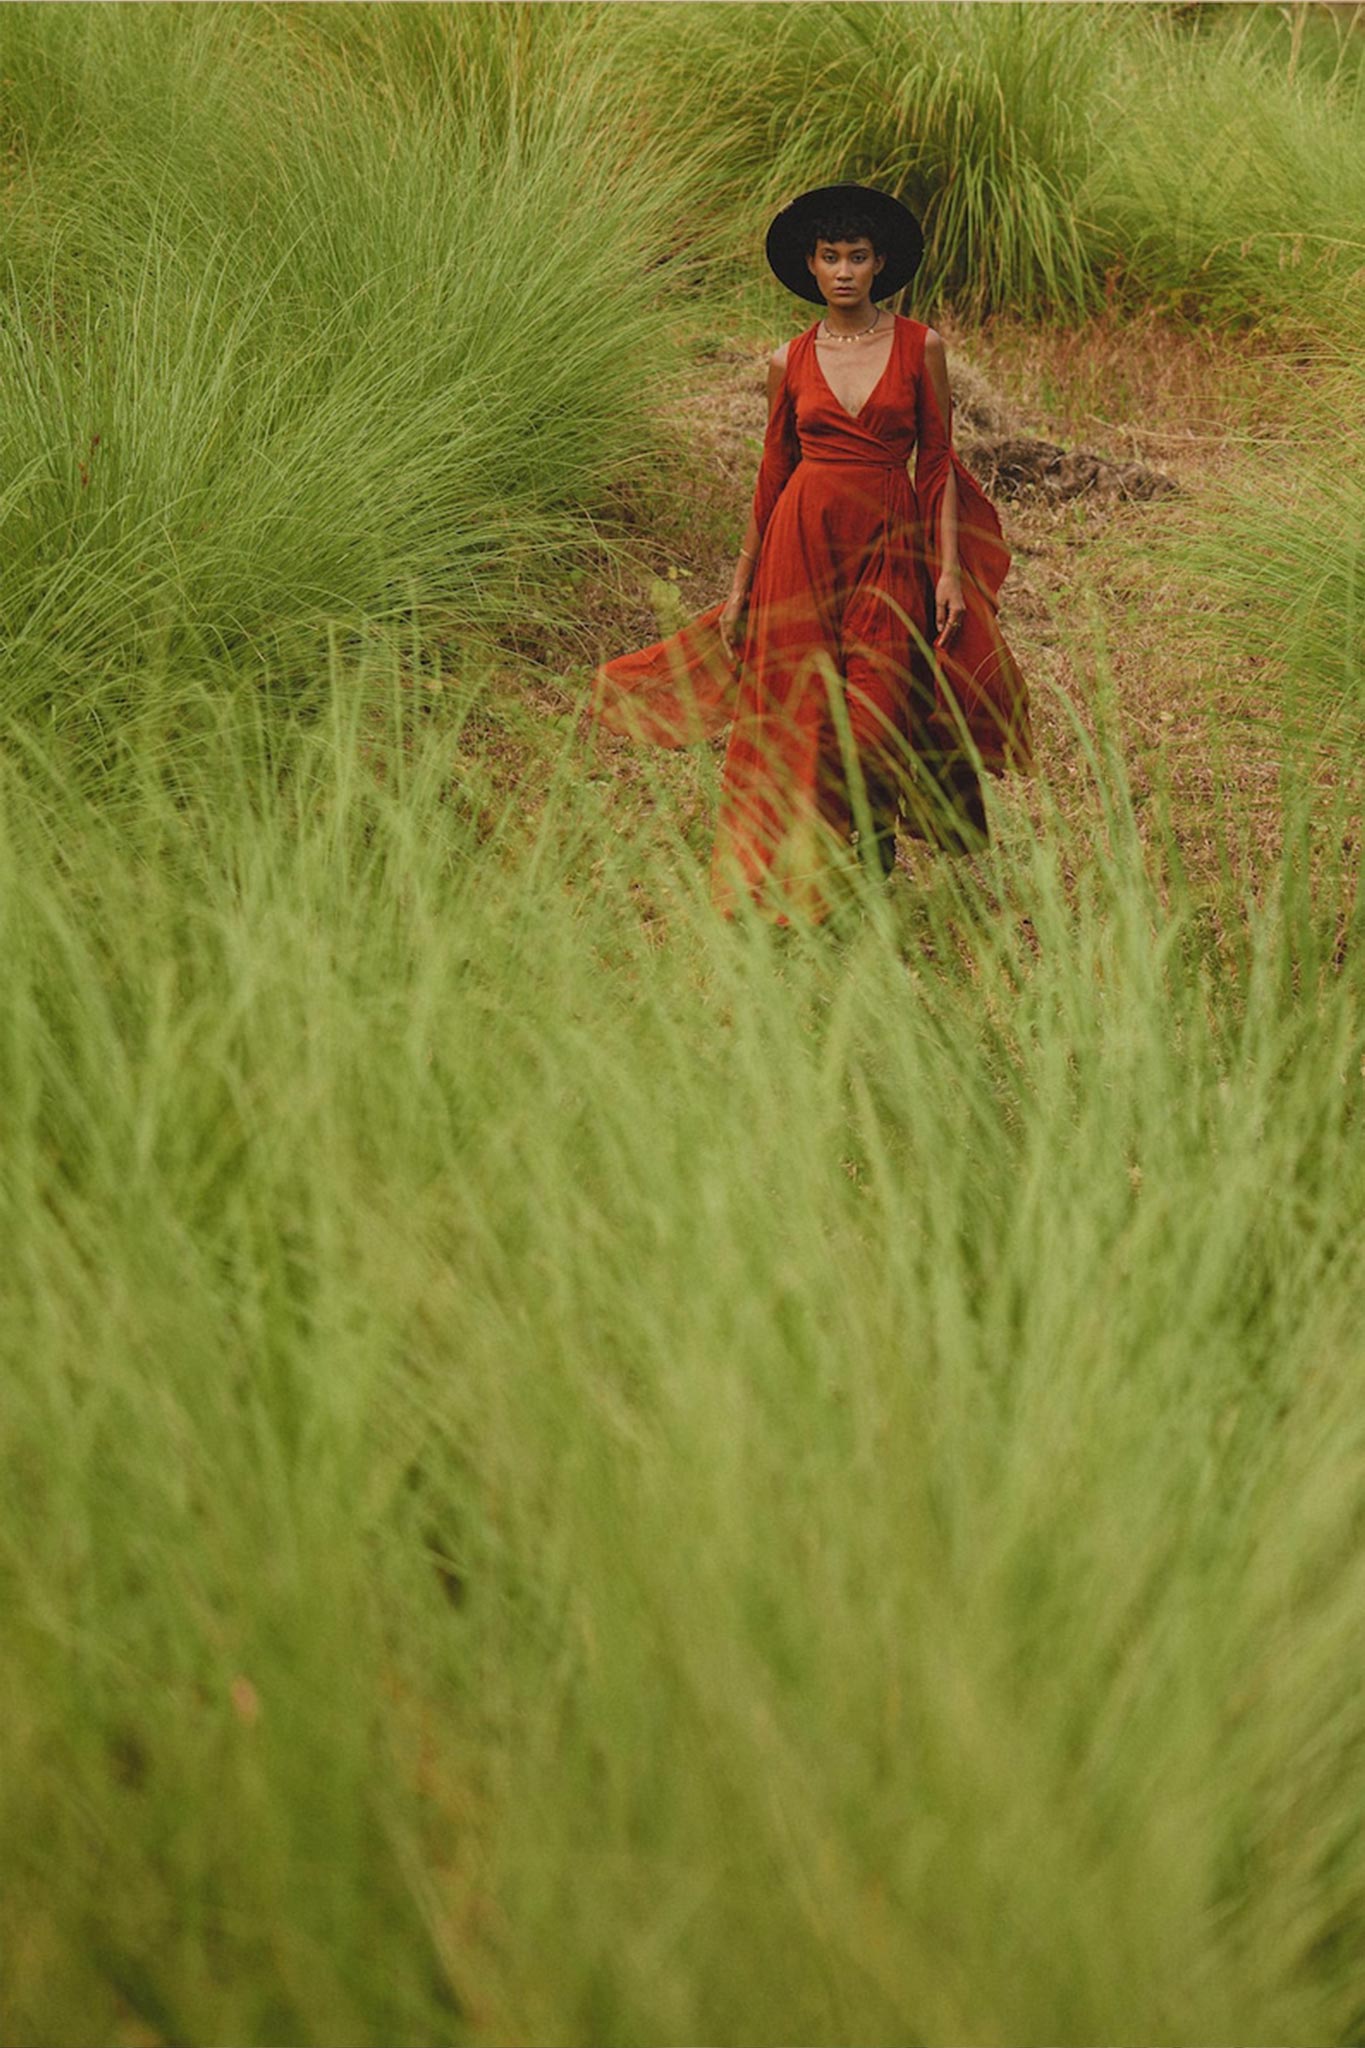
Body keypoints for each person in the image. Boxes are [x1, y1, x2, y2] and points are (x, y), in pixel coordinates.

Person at [590, 182, 1031, 925]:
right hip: (801, 541)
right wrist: (742, 585)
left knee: (879, 706)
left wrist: (948, 570)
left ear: (879, 263)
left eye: (857, 256)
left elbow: (939, 462)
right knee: (801, 710)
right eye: (830, 257)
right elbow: (771, 476)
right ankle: (811, 881)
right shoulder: (785, 360)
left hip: (891, 541)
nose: (845, 271)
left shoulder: (920, 345)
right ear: (812, 267)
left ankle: (874, 841)